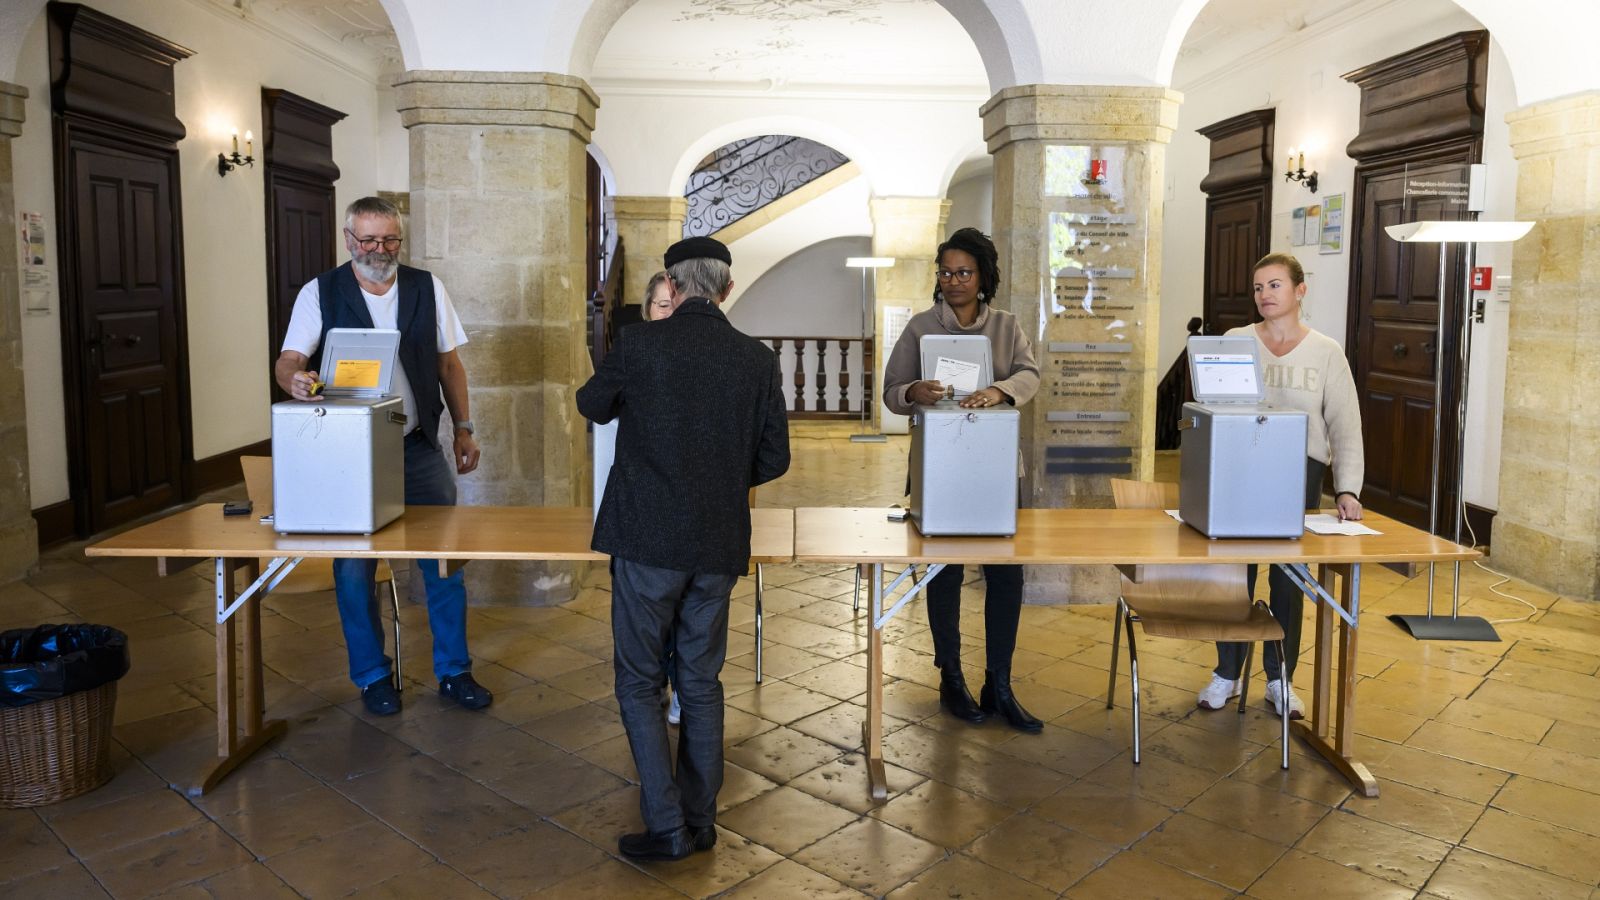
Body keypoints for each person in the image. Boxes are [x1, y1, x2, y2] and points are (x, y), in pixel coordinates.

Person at [578, 236, 790, 861]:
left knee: (640, 683)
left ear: (671, 286)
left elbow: (592, 405)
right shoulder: (756, 358)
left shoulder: (641, 343)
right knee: (700, 682)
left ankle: (667, 826)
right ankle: (700, 821)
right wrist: (719, 477)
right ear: (728, 288)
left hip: (646, 538)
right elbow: (774, 458)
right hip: (717, 539)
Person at [274, 196, 491, 717]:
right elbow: (288, 361)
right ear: (348, 240)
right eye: (367, 240)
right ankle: (373, 675)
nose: (379, 250)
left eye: (389, 240)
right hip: (348, 454)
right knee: (352, 570)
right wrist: (296, 382)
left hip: (416, 447)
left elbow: (449, 364)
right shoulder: (320, 292)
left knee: (443, 564)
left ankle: (454, 670)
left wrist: (463, 428)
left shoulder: (425, 287)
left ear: (400, 239)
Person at [882, 227, 1043, 734]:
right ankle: (950, 675)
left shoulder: (1007, 325)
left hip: (995, 464)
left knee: (1005, 574)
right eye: (946, 272)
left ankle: (1000, 682)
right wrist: (915, 390)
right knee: (944, 571)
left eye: (963, 272)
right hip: (939, 464)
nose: (953, 281)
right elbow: (890, 391)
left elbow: (1030, 374)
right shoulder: (920, 327)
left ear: (982, 277)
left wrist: (999, 390)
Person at [1196, 252, 1364, 719]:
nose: (1264, 295)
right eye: (1258, 288)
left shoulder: (1326, 351)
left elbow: (1345, 425)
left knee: (1288, 578)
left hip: (1298, 471)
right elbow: (1212, 405)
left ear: (1299, 291)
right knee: (1233, 575)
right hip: (1239, 465)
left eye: (1274, 285)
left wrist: (1347, 489)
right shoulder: (1235, 340)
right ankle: (1227, 672)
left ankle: (1279, 679)